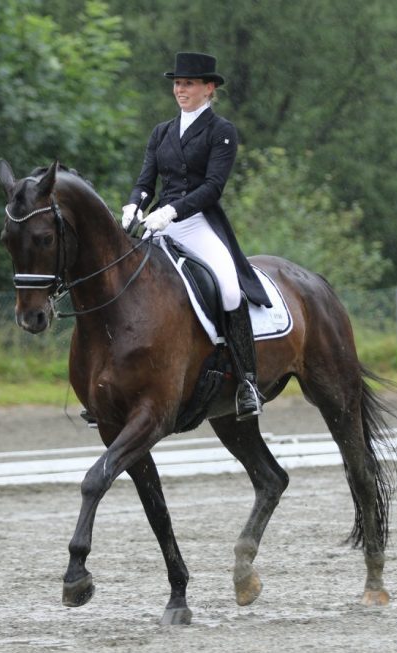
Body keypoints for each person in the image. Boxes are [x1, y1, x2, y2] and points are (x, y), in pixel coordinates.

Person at [122, 51, 272, 421]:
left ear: (209, 88)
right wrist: (134, 205)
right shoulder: (162, 132)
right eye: (177, 83)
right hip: (158, 223)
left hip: (198, 222)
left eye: (188, 83)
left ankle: (247, 383)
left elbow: (213, 187)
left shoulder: (222, 132)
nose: (180, 89)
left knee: (229, 288)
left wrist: (173, 211)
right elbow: (146, 181)